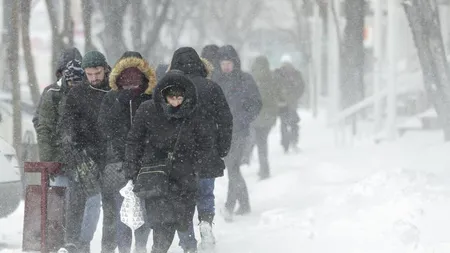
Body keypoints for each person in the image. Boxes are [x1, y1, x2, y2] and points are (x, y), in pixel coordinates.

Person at [124, 70, 212, 253]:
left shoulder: (194, 113)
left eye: (180, 98)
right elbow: (134, 140)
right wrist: (132, 168)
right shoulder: (148, 110)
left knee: (181, 221)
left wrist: (197, 165)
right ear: (164, 95)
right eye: (172, 98)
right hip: (155, 176)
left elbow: (205, 143)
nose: (176, 102)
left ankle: (188, 248)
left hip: (184, 177)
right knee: (160, 223)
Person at [169, 47, 233, 252]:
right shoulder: (212, 87)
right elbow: (225, 119)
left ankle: (187, 242)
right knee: (205, 193)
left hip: (178, 155)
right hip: (207, 150)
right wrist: (222, 147)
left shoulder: (170, 88)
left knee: (181, 200)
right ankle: (206, 222)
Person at [98, 51, 156, 253]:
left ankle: (138, 247)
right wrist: (120, 104)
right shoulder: (113, 99)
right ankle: (125, 248)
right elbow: (105, 127)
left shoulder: (150, 98)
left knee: (137, 209)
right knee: (124, 208)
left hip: (141, 163)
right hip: (119, 163)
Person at [58, 50, 111, 253]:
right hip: (81, 155)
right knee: (78, 201)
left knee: (107, 206)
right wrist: (73, 148)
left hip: (108, 156)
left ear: (105, 69)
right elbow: (65, 126)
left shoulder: (113, 92)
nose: (94, 78)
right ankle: (74, 244)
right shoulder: (77, 94)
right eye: (89, 74)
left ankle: (104, 245)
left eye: (97, 73)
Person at [214, 45, 262, 222]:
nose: (226, 66)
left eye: (229, 63)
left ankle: (229, 206)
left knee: (233, 167)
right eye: (223, 63)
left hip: (241, 131)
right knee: (233, 168)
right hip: (223, 132)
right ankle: (245, 203)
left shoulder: (245, 80)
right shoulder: (216, 81)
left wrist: (244, 118)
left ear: (235, 63)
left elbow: (256, 103)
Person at [249, 56, 280, 180]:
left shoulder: (252, 78)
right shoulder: (271, 78)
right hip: (267, 117)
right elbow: (274, 98)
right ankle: (264, 168)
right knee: (262, 143)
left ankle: (260, 167)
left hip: (256, 116)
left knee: (255, 141)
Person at [274, 54, 305, 153]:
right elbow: (301, 87)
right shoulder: (295, 73)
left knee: (284, 124)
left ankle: (285, 145)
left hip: (282, 104)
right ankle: (293, 142)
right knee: (293, 123)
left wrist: (278, 98)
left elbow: (274, 88)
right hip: (291, 103)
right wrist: (295, 96)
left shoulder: (278, 74)